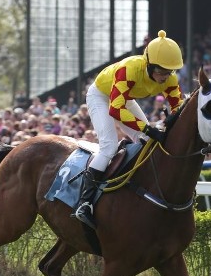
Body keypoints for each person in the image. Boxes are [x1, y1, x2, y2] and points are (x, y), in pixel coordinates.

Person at [73, 30, 184, 229]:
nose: (165, 77)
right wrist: (148, 128)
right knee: (108, 146)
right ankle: (85, 203)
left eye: (169, 71)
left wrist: (170, 123)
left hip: (125, 97)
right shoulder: (130, 69)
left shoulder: (169, 79)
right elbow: (115, 109)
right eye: (161, 71)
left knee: (144, 140)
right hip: (101, 96)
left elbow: (178, 108)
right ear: (149, 64)